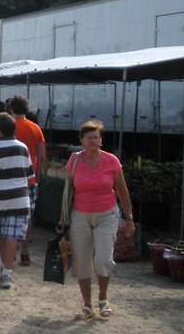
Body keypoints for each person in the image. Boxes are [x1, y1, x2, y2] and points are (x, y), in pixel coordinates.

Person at [57, 120, 135, 321]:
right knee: (82, 261)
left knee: (103, 259)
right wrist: (62, 219)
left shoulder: (111, 161)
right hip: (79, 215)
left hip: (106, 214)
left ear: (101, 140)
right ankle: (87, 305)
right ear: (81, 140)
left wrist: (129, 218)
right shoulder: (73, 161)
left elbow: (122, 191)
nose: (93, 140)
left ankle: (103, 297)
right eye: (89, 137)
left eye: (97, 137)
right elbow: (67, 192)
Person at [0, 112, 34, 290]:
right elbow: (29, 174)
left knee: (2, 234)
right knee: (13, 236)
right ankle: (7, 272)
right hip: (19, 198)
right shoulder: (23, 147)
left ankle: (4, 266)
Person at [10, 95, 46, 266]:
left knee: (10, 215)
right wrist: (37, 177)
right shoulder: (36, 129)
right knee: (27, 216)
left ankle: (11, 250)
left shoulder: (8, 127)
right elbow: (42, 157)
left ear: (11, 109)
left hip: (10, 178)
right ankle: (25, 251)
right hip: (29, 179)